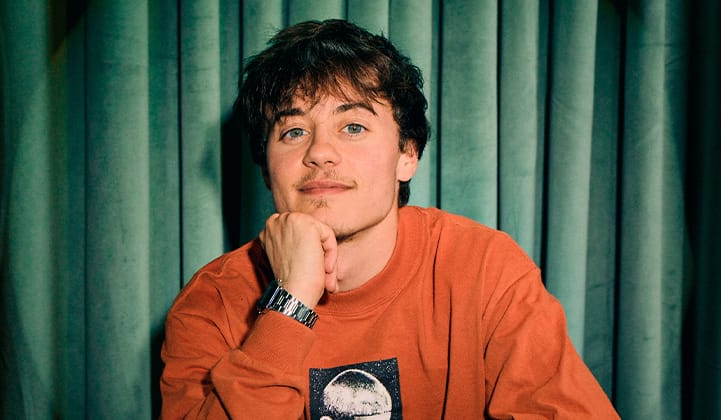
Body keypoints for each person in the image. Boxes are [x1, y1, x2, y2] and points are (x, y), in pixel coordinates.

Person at [159, 19, 620, 419]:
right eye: (294, 131)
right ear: (266, 168)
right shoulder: (213, 302)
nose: (320, 152)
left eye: (353, 127)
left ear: (407, 155)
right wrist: (291, 300)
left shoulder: (485, 269)